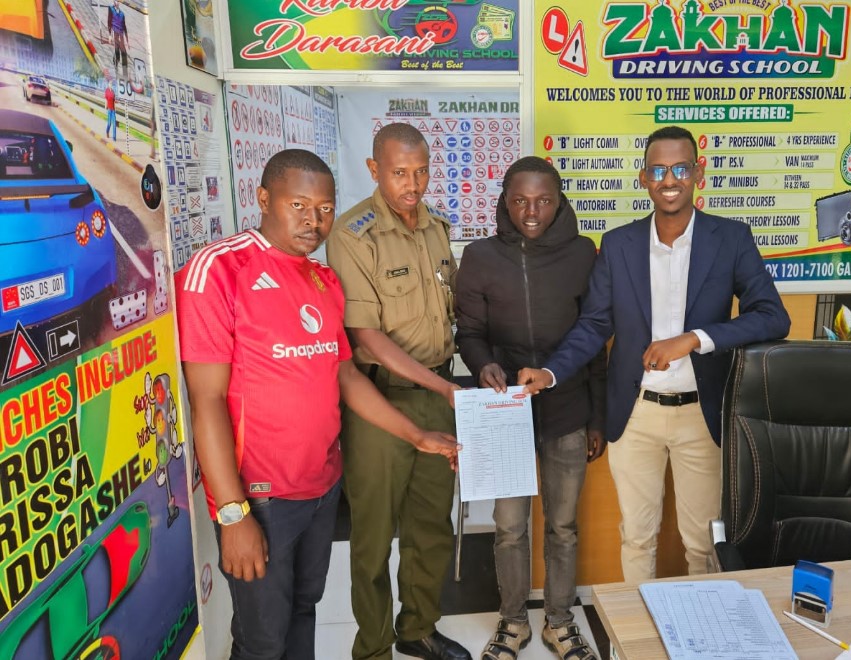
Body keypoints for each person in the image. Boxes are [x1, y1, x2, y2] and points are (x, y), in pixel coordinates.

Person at [176, 149, 458, 660]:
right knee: (261, 639)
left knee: (303, 608)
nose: (314, 221)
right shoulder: (218, 270)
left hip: (321, 487)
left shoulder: (322, 280)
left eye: (325, 208)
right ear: (263, 199)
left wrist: (417, 435)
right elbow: (207, 400)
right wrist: (234, 513)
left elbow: (345, 375)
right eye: (299, 205)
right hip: (261, 497)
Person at [519, 126, 790, 580]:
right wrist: (549, 373)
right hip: (637, 413)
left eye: (681, 168)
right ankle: (637, 643)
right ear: (644, 177)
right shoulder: (619, 244)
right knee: (637, 537)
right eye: (659, 170)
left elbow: (772, 316)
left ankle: (698, 643)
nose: (670, 179)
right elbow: (594, 324)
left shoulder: (731, 239)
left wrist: (694, 338)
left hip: (701, 414)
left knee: (703, 543)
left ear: (698, 174)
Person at [326, 123, 469, 660]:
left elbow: (450, 315)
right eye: (399, 172)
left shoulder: (436, 229)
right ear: (374, 170)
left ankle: (418, 630)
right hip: (379, 401)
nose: (413, 184)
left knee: (430, 525)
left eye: (421, 171)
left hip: (438, 389)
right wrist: (446, 389)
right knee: (372, 536)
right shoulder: (351, 234)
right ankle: (374, 647)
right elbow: (366, 338)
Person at [455, 157, 605, 660]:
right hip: (505, 414)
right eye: (520, 200)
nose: (531, 211)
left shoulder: (585, 254)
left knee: (563, 526)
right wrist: (483, 368)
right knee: (509, 527)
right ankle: (514, 622)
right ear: (504, 200)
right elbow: (470, 334)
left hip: (567, 410)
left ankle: (560, 623)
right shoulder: (479, 257)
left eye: (543, 200)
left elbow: (597, 336)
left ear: (559, 200)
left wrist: (597, 418)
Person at [107, 0, 130, 79]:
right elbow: (109, 22)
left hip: (121, 34)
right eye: (116, 1)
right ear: (114, 2)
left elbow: (124, 27)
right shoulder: (111, 9)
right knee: (118, 53)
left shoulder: (122, 14)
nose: (117, 3)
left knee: (124, 53)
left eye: (118, 1)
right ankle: (116, 70)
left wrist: (127, 40)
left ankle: (125, 75)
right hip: (115, 33)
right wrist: (109, 35)